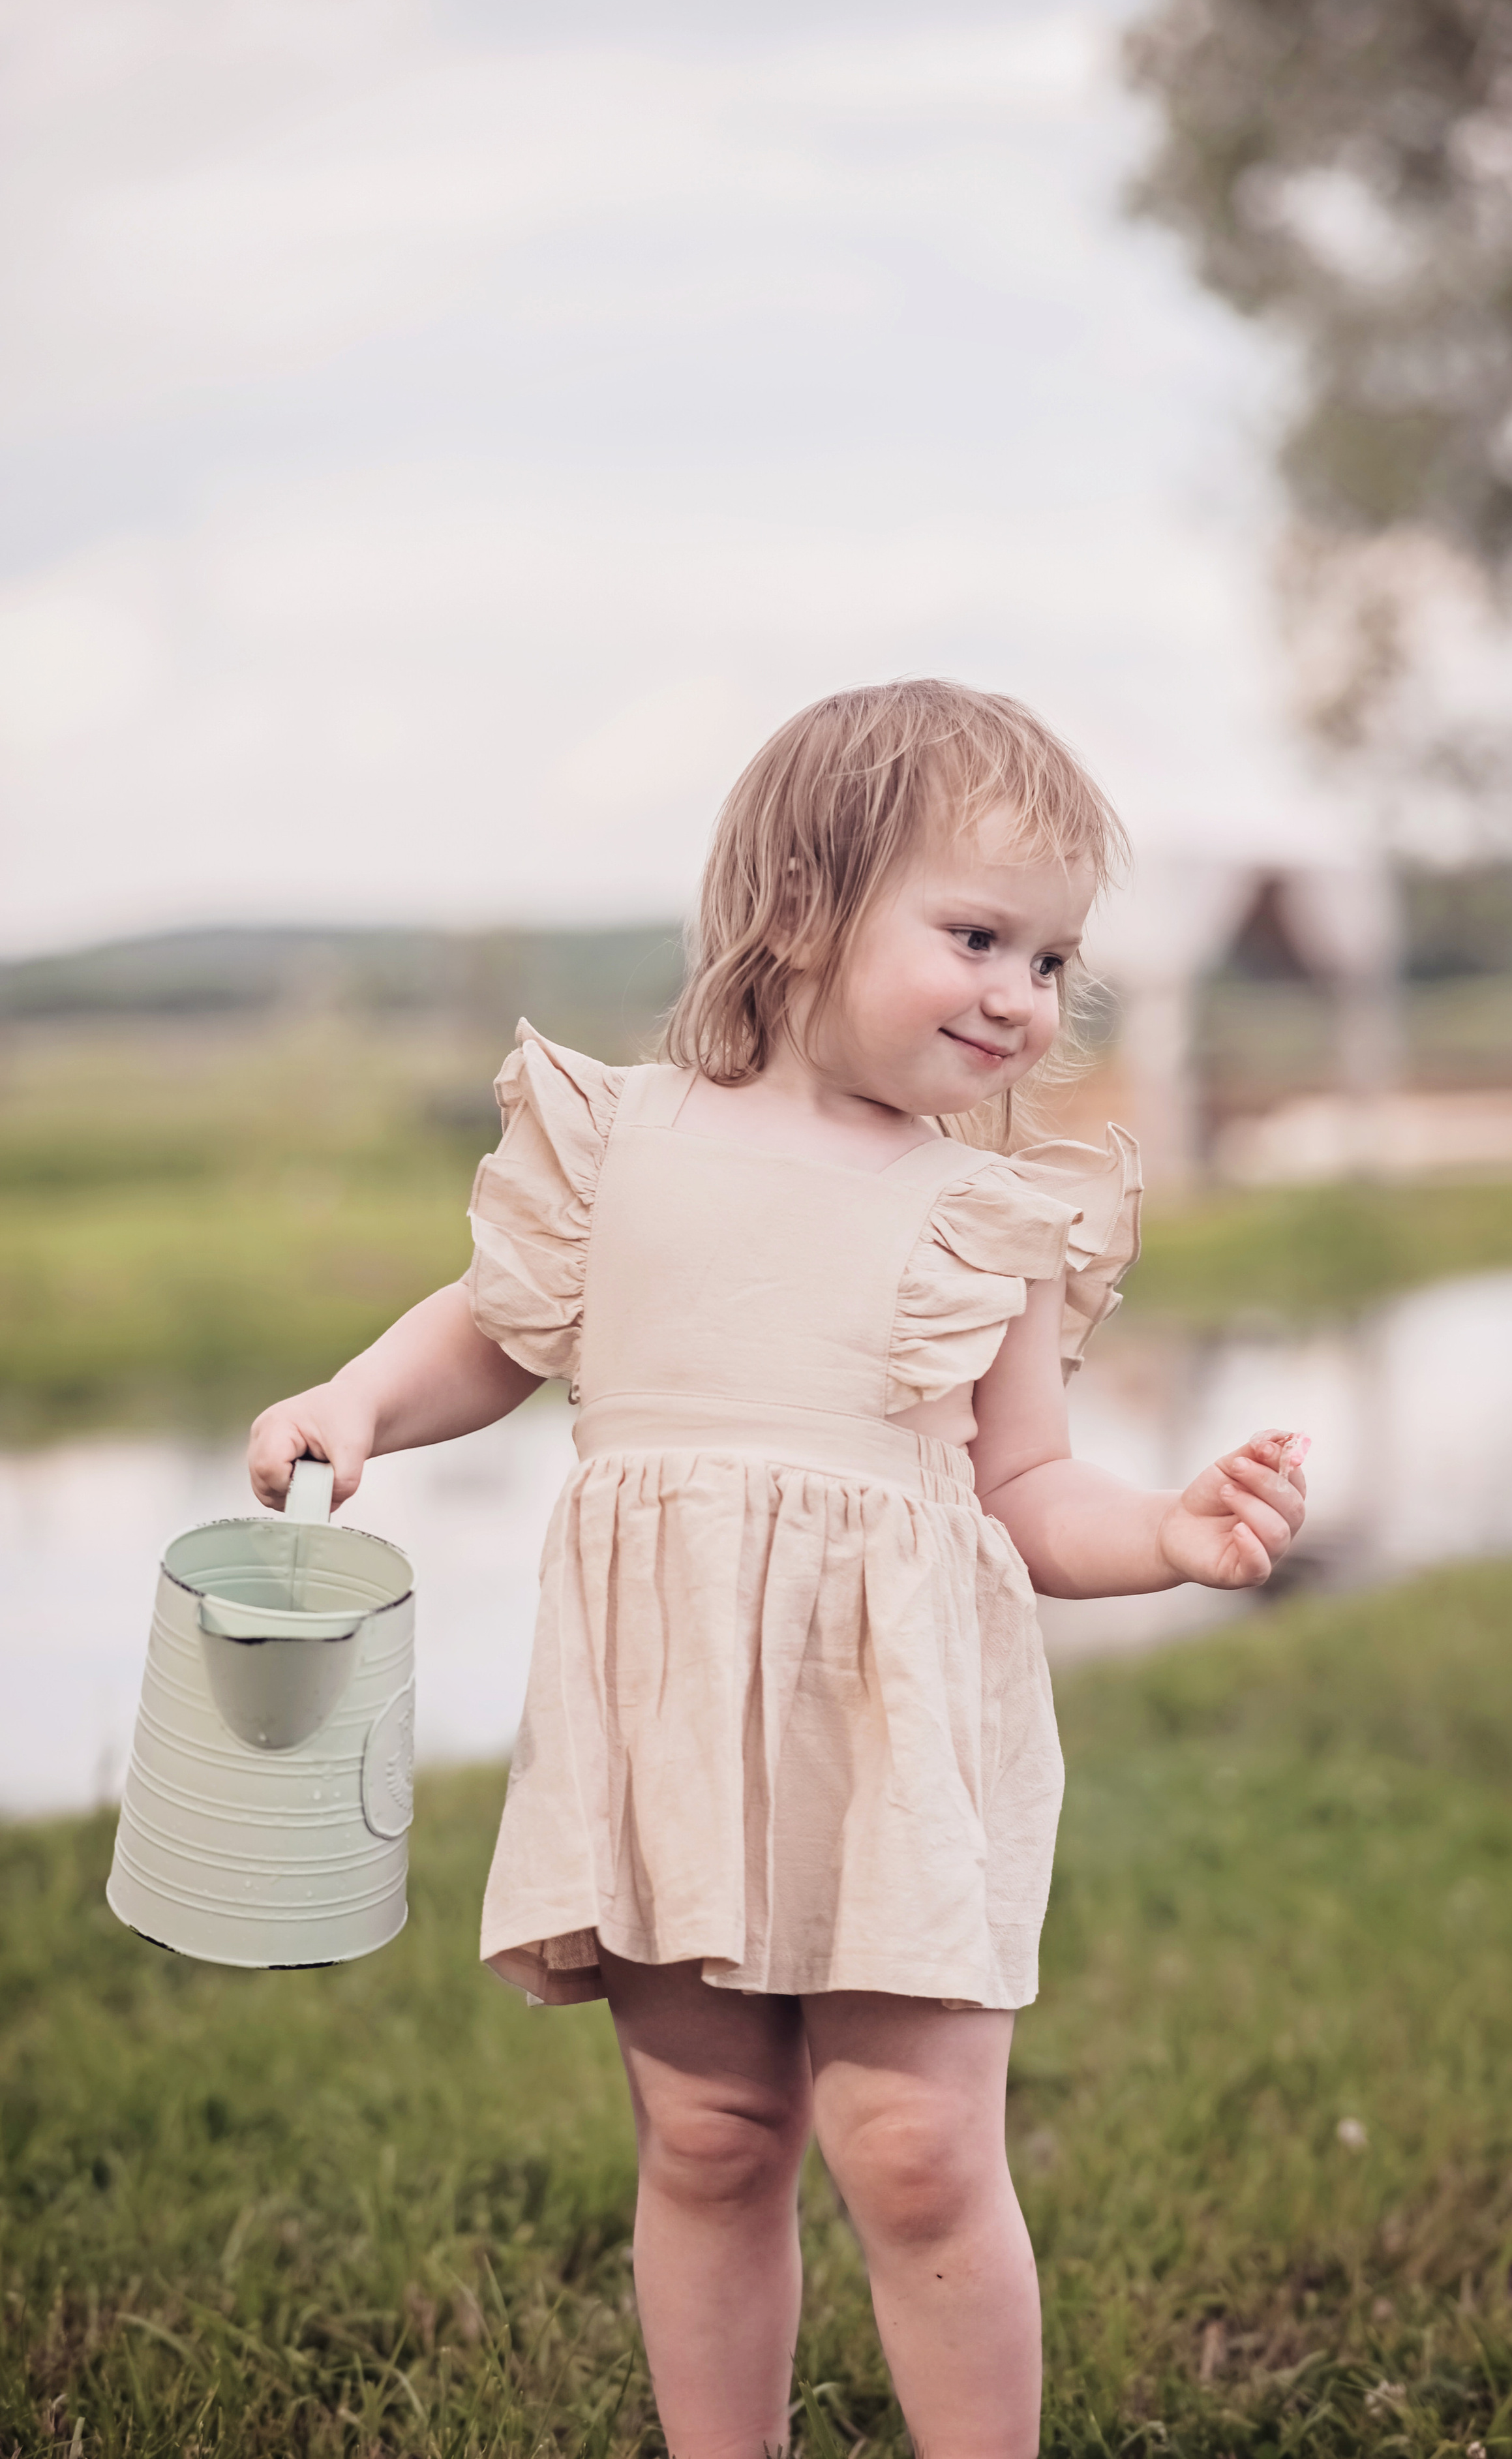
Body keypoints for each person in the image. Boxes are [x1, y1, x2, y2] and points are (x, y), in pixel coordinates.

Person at [249, 679, 1308, 2459]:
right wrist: (361, 1397)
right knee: (712, 2136)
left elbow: (1029, 1485)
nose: (1021, 998)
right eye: (977, 935)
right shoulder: (626, 1143)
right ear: (802, 908)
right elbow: (498, 1334)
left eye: (1053, 962)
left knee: (913, 2149)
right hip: (673, 1730)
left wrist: (1167, 1536)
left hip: (891, 1741)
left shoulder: (990, 1213)